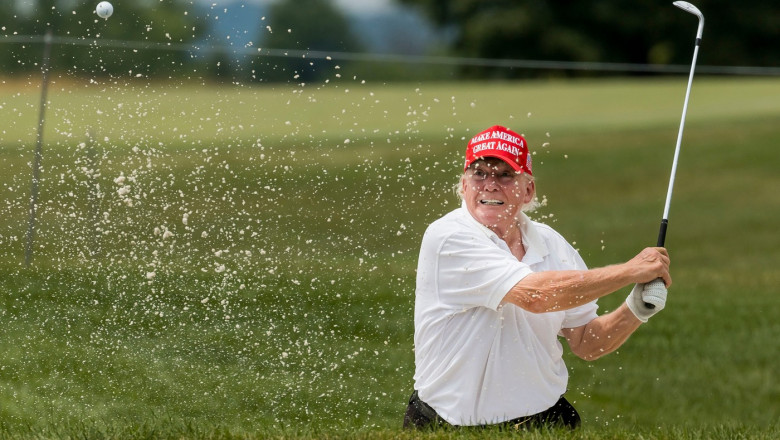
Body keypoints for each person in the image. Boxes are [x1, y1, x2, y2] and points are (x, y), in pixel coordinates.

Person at [404, 125, 671, 430]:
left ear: (528, 189)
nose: (490, 184)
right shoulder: (449, 237)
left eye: (505, 174)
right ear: (463, 186)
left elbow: (586, 342)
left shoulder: (551, 243)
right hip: (452, 428)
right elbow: (536, 296)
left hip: (545, 423)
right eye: (479, 174)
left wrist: (636, 309)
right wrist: (631, 270)